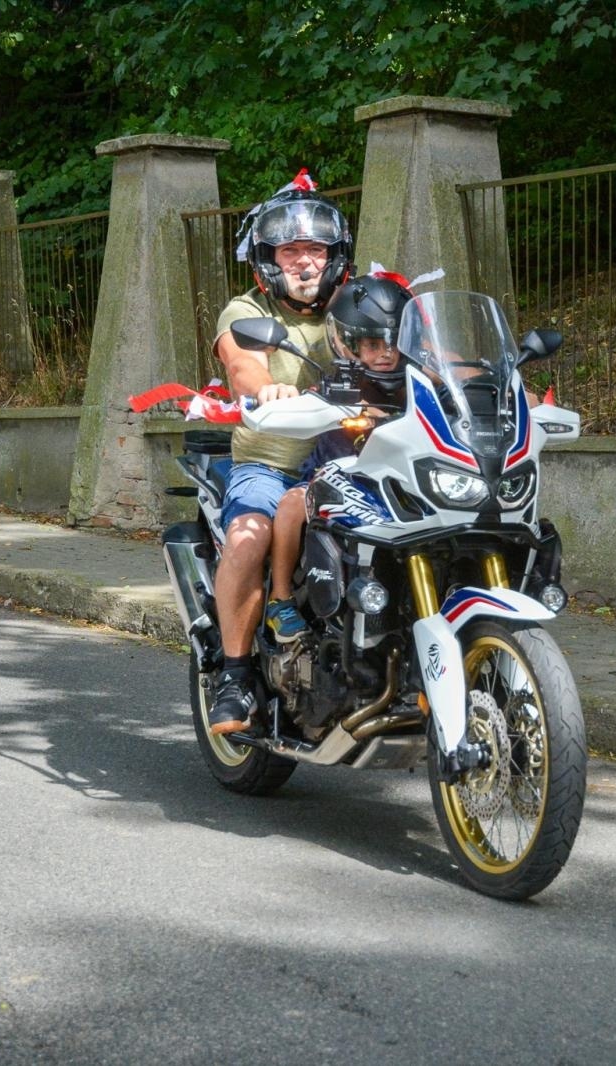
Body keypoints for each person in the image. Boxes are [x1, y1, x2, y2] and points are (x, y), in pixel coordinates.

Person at [208, 179, 353, 735]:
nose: (305, 262)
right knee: (250, 532)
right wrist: (266, 386)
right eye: (290, 252)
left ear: (333, 256)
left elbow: (421, 348)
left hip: (351, 461)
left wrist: (484, 381)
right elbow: (243, 364)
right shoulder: (248, 309)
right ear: (268, 260)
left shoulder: (356, 301)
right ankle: (236, 675)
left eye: (315, 250)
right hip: (271, 463)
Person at [264, 273, 414, 643]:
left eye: (393, 343)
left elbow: (462, 376)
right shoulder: (338, 385)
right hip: (333, 480)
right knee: (292, 503)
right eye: (373, 344)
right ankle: (279, 599)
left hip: (396, 487)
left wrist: (507, 392)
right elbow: (312, 402)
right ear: (348, 345)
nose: (385, 353)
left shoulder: (418, 380)